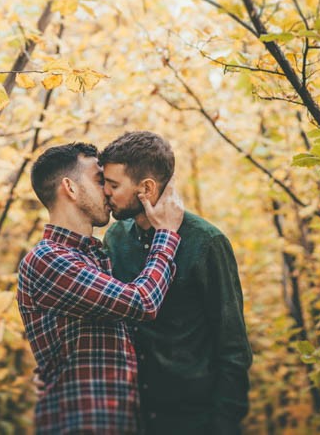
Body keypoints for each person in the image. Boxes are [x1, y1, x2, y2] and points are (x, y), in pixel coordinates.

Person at [17, 141, 184, 435]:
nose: (108, 191)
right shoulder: (48, 259)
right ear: (70, 188)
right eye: (99, 181)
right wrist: (166, 235)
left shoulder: (97, 256)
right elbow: (142, 303)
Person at [101, 131, 252, 435]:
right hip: (132, 418)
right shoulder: (115, 238)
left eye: (113, 185)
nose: (104, 191)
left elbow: (233, 348)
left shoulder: (207, 242)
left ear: (146, 188)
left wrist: (223, 424)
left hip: (196, 420)